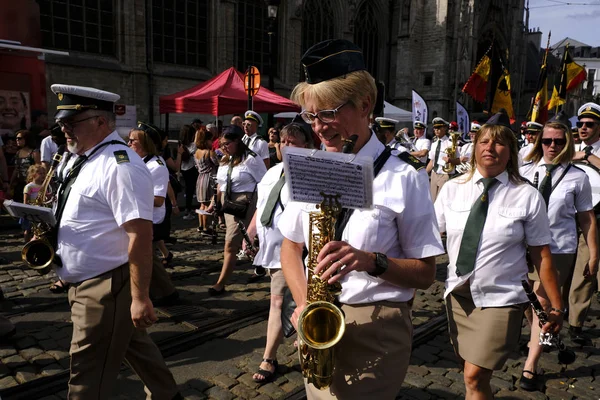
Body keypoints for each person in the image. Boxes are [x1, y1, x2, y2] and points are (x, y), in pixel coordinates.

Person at [280, 39, 444, 399]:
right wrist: (305, 301)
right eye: (311, 116)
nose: (319, 127)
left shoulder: (405, 176)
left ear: (365, 104)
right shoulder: (310, 165)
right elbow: (290, 249)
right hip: (319, 321)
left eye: (329, 113)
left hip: (377, 327)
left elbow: (427, 273)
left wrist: (370, 261)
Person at [50, 84, 181, 399]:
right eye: (63, 122)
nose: (64, 129)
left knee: (86, 379)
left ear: (100, 122)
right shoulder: (86, 157)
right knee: (134, 346)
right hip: (88, 283)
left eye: (72, 122)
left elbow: (140, 234)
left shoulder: (120, 164)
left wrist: (139, 298)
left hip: (104, 288)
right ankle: (168, 395)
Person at [433, 111, 563, 399]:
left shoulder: (526, 195)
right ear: (475, 147)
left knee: (474, 375)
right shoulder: (453, 190)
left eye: (499, 143)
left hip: (501, 299)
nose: (490, 148)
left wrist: (556, 305)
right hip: (458, 296)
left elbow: (542, 255)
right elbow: (427, 240)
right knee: (472, 376)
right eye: (484, 141)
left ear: (512, 152)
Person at [518, 112, 597, 390]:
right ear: (540, 141)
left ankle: (531, 363)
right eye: (547, 140)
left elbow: (586, 217)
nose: (552, 146)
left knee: (541, 301)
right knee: (527, 302)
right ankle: (542, 330)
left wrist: (594, 253)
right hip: (523, 245)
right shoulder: (525, 170)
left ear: (567, 143)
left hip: (558, 247)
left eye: (558, 141)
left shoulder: (578, 176)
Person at [244, 123, 313, 384]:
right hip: (271, 251)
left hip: (295, 254)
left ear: (307, 146)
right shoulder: (272, 172)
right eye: (283, 142)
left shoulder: (310, 175)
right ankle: (303, 334)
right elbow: (263, 208)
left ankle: (269, 357)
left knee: (277, 302)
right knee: (289, 302)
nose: (286, 146)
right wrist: (250, 234)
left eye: (293, 142)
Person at [205, 125, 267, 295]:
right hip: (228, 204)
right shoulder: (225, 159)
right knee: (246, 242)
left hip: (245, 205)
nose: (223, 148)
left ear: (238, 141)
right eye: (221, 144)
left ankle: (221, 283)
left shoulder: (251, 159)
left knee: (231, 244)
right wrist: (214, 202)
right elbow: (221, 184)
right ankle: (262, 262)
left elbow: (265, 184)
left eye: (226, 144)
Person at [128, 121, 179, 307]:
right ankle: (165, 291)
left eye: (132, 140)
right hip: (140, 215)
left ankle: (165, 292)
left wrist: (128, 197)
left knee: (144, 255)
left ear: (144, 142)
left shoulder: (156, 166)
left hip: (152, 219)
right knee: (147, 255)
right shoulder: (139, 162)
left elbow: (158, 200)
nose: (128, 144)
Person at [567, 102, 600, 344]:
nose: (583, 128)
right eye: (580, 124)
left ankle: (576, 322)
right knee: (577, 271)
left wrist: (588, 156)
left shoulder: (589, 151)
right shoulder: (571, 147)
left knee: (589, 270)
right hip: (572, 218)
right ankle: (573, 323)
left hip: (598, 216)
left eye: (589, 124)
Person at [427, 117, 460, 202]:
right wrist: (424, 173)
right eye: (435, 128)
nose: (436, 130)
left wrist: (451, 160)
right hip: (434, 173)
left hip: (445, 174)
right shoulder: (434, 144)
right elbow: (432, 161)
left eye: (438, 128)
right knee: (432, 200)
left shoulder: (451, 143)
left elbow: (459, 160)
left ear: (445, 128)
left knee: (441, 201)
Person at [193, 126, 218, 236]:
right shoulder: (209, 152)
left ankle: (201, 226)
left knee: (202, 204)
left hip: (200, 178)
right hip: (209, 179)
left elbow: (196, 166)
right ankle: (206, 227)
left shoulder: (197, 152)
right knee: (208, 204)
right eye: (210, 140)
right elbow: (217, 163)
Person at [9, 129, 40, 203]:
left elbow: (38, 168)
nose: (17, 140)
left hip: (31, 184)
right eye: (16, 138)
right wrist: (10, 185)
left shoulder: (34, 152)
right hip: (19, 184)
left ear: (27, 139)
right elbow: (16, 170)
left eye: (19, 138)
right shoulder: (18, 153)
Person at [21, 164, 46, 242]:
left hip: (40, 209)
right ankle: (27, 244)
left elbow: (46, 196)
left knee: (38, 228)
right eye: (40, 173)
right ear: (33, 174)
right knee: (28, 229)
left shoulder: (43, 186)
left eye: (43, 173)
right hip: (31, 210)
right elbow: (25, 201)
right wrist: (26, 211)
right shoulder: (29, 186)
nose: (42, 175)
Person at [179, 124, 199, 219]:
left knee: (188, 189)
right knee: (190, 190)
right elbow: (194, 154)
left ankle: (188, 208)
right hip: (191, 168)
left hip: (183, 168)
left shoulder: (181, 144)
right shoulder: (193, 145)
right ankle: (188, 210)